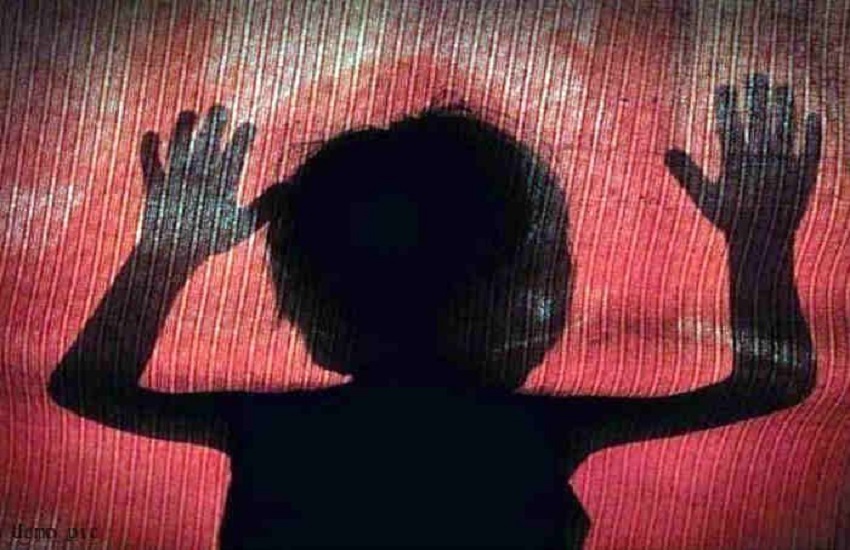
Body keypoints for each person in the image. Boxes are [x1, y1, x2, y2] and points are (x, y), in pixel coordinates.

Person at [49, 74, 819, 549]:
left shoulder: (273, 426)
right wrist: (758, 247)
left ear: (313, 304)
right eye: (550, 263)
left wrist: (164, 257)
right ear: (518, 300)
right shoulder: (528, 431)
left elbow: (85, 386)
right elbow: (771, 381)